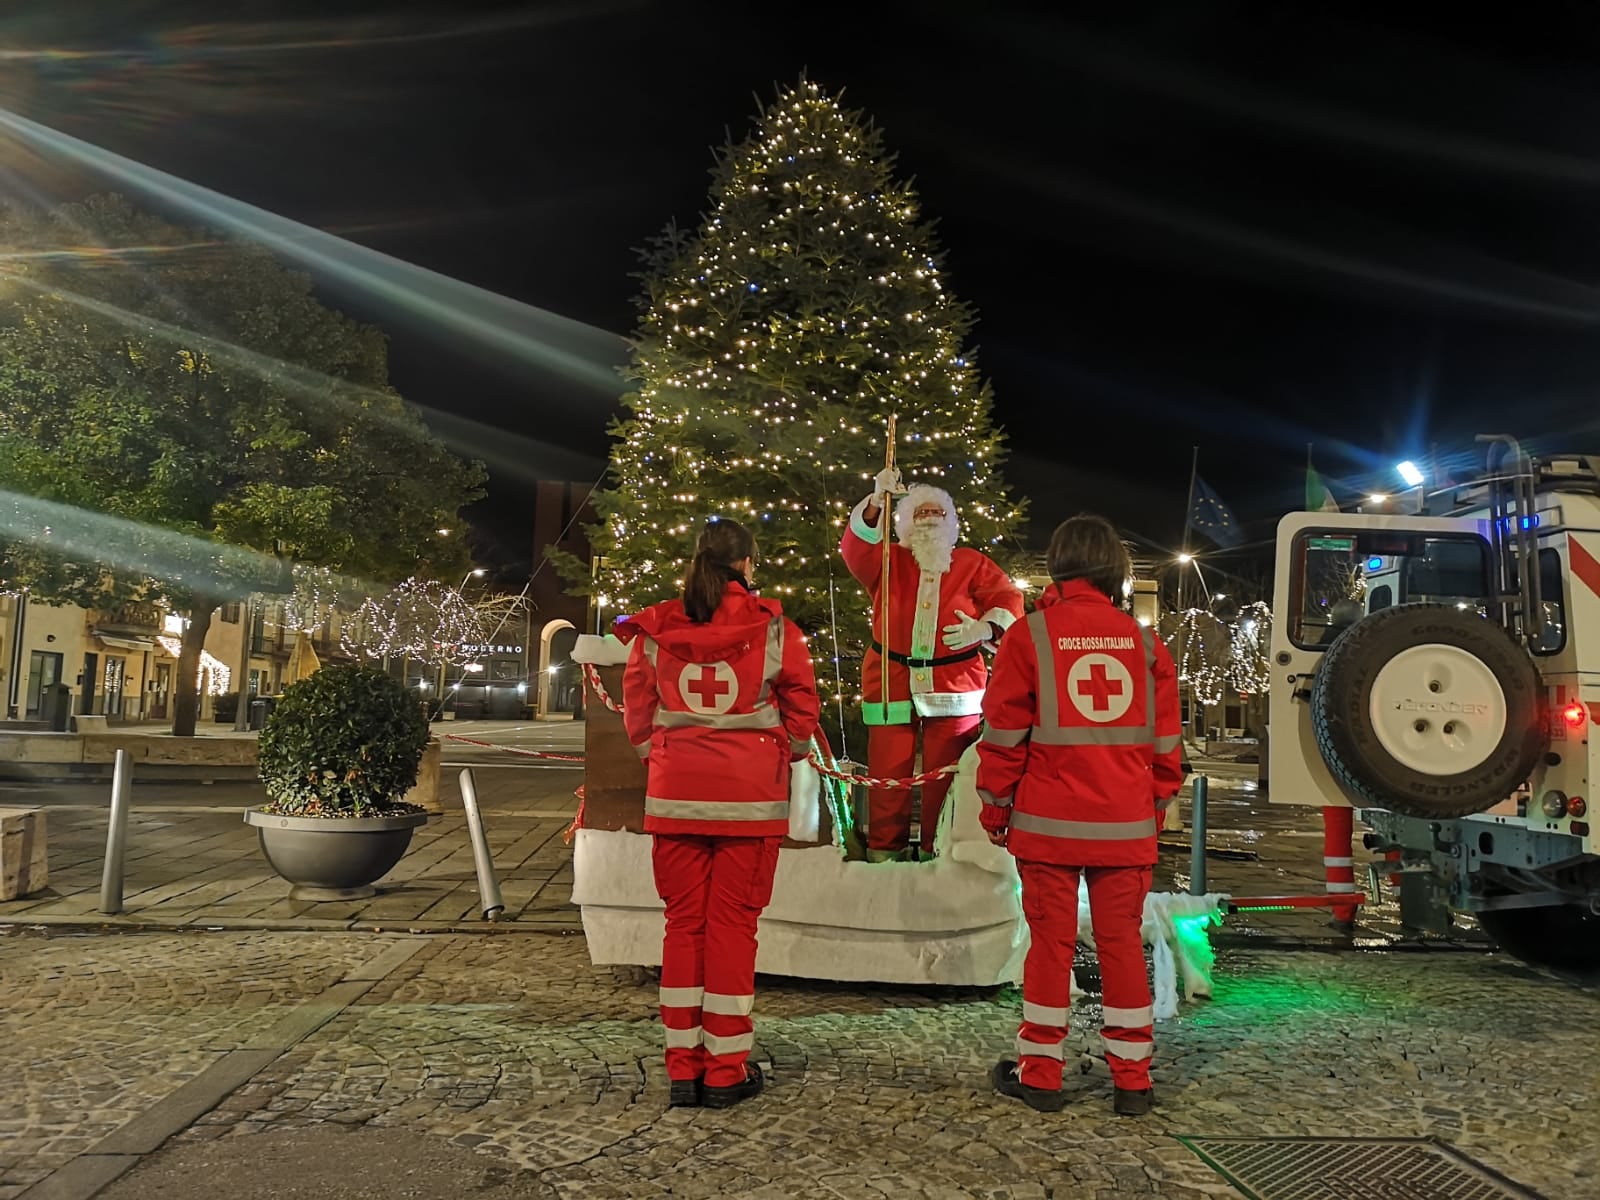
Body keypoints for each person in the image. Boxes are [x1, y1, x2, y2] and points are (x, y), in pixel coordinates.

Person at [975, 514, 1183, 1117]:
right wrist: (1153, 807)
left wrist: (996, 807)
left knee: (1050, 947)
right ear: (1116, 568)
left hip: (1047, 826)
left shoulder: (1030, 637)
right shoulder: (1146, 644)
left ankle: (1041, 1075)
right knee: (1121, 946)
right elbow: (1167, 746)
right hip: (1125, 826)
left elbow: (1004, 735)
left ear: (1058, 565)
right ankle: (1133, 1080)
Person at [619, 518, 821, 1110]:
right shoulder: (776, 629)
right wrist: (784, 753)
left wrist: (662, 758)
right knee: (733, 928)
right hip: (750, 802)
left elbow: (637, 709)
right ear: (747, 564)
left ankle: (683, 1068)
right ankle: (726, 1070)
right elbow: (802, 709)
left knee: (684, 926)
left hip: (675, 798)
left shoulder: (655, 628)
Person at [841, 468, 1024, 861]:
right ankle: (885, 854)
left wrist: (984, 628)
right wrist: (874, 502)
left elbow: (1008, 598)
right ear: (906, 522)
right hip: (890, 680)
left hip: (954, 683)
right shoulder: (886, 559)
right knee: (888, 775)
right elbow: (855, 550)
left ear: (950, 521)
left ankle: (937, 851)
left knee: (949, 777)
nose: (929, 519)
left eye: (936, 513)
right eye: (920, 513)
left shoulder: (972, 563)